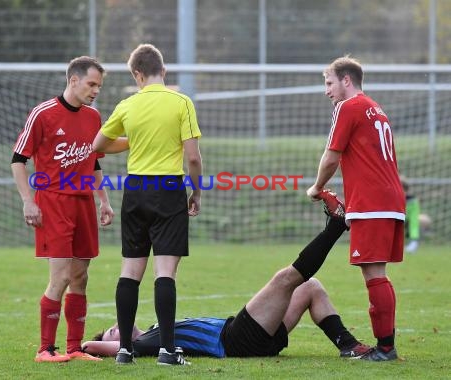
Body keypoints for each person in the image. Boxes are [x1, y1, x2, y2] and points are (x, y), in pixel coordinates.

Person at [82, 195, 372, 360]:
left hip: (245, 334)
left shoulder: (157, 330)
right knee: (286, 279)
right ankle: (336, 226)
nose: (116, 327)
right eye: (112, 331)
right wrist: (80, 349)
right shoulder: (146, 344)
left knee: (310, 287)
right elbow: (90, 346)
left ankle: (348, 346)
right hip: (235, 341)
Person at [92, 43, 202, 366]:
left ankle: (125, 350)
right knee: (164, 271)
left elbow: (98, 145)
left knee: (130, 270)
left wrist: (134, 140)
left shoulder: (128, 105)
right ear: (163, 71)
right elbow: (192, 157)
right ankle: (168, 351)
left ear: (137, 75)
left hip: (135, 188)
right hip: (168, 188)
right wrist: (197, 193)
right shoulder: (181, 102)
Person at [11, 56, 114, 363]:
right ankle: (45, 349)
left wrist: (103, 200)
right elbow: (18, 159)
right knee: (61, 277)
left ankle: (74, 348)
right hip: (53, 202)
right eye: (91, 84)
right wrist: (28, 200)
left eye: (99, 85)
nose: (96, 90)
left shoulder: (93, 117)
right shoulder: (43, 114)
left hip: (83, 202)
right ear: (74, 80)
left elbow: (93, 162)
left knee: (81, 276)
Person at [307, 56, 406, 361]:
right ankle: (386, 345)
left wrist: (316, 187)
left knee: (373, 273)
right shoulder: (376, 108)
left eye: (329, 83)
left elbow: (332, 156)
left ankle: (386, 348)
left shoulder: (347, 107)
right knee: (378, 272)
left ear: (346, 80)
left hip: (372, 203)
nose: (327, 91)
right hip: (391, 200)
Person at [400, 175, 431, 253]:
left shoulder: (413, 201)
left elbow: (414, 220)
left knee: (423, 219)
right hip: (396, 221)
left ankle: (413, 243)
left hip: (407, 221)